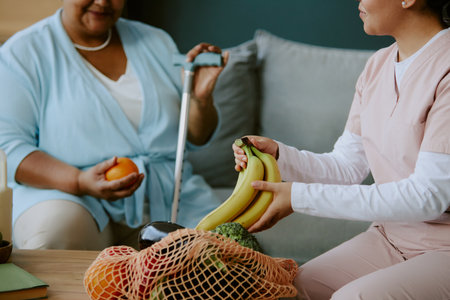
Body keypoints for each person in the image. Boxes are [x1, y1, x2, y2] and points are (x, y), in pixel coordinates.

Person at [233, 0, 450, 299]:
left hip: (445, 249)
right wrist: (280, 155)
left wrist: (298, 197)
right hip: (391, 237)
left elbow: (429, 196)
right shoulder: (377, 66)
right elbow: (347, 167)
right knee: (296, 288)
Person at [0, 0, 229, 250]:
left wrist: (199, 99)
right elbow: (8, 148)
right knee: (56, 230)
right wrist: (79, 181)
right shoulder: (22, 53)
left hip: (169, 197)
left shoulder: (156, 41)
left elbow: (196, 136)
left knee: (231, 259)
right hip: (70, 194)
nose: (102, 2)